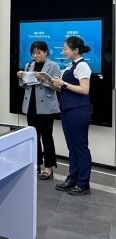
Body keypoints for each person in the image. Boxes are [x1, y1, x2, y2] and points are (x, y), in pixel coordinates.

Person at [50, 36, 93, 196]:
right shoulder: (70, 65)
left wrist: (64, 84)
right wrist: (51, 82)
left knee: (80, 147)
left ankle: (83, 183)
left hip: (78, 111)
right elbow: (65, 89)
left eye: (65, 49)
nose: (63, 51)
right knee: (72, 147)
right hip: (68, 110)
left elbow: (84, 90)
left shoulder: (83, 66)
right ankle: (72, 179)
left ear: (75, 50)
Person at [16, 40, 60, 180]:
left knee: (47, 137)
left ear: (46, 52)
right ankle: (36, 165)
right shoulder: (29, 65)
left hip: (46, 107)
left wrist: (43, 79)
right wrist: (21, 78)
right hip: (31, 105)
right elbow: (25, 85)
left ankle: (49, 167)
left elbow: (57, 87)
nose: (36, 56)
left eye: (38, 53)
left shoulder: (54, 66)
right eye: (33, 53)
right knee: (34, 136)